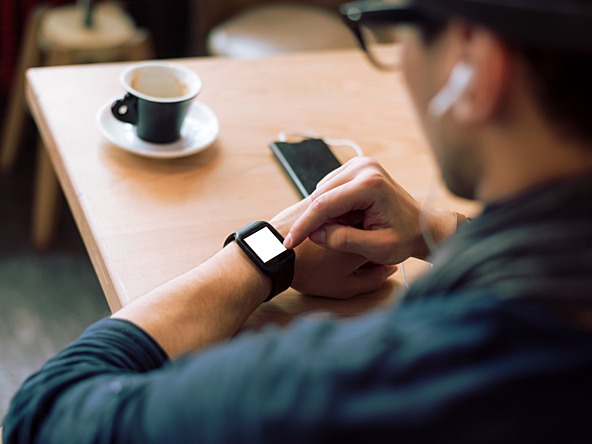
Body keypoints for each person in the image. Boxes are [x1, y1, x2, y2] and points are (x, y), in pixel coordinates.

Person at [4, 0, 592, 442]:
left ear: (473, 67)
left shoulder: (385, 379)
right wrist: (431, 229)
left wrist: (263, 255)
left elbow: (49, 413)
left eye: (395, 29)